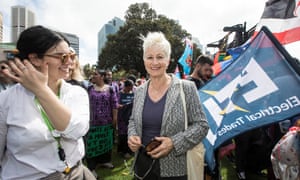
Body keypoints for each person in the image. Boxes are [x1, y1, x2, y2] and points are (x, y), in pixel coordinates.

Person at [0, 25, 95, 179]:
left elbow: (76, 130)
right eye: (62, 57)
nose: (70, 62)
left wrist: (41, 90)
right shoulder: (6, 99)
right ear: (35, 58)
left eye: (72, 55)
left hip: (75, 173)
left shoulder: (76, 93)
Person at [127, 32, 209, 179]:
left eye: (160, 57)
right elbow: (133, 120)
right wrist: (132, 135)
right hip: (142, 168)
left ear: (168, 59)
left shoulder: (187, 88)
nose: (154, 62)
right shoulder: (139, 91)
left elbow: (201, 126)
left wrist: (173, 142)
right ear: (144, 59)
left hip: (175, 170)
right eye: (149, 57)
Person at [85, 69, 118, 177]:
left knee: (106, 142)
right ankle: (92, 167)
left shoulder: (110, 89)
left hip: (106, 122)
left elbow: (114, 104)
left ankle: (105, 161)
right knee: (92, 144)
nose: (93, 76)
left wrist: (115, 118)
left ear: (102, 77)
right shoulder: (89, 88)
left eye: (96, 74)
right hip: (92, 122)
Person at [117, 79, 134, 159]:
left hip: (130, 117)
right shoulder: (119, 94)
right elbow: (115, 104)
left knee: (130, 134)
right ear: (126, 87)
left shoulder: (133, 94)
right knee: (122, 135)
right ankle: (123, 151)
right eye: (129, 88)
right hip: (122, 117)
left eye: (132, 88)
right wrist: (122, 106)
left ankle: (129, 150)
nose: (130, 90)